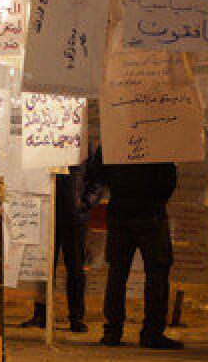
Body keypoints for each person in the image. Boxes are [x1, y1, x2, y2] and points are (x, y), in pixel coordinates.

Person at [94, 148, 181, 349]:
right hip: (150, 213)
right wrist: (158, 199)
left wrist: (118, 185)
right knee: (157, 273)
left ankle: (112, 332)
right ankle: (152, 333)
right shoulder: (157, 132)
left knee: (117, 273)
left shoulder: (116, 130)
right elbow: (168, 175)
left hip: (120, 211)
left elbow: (99, 168)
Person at [19, 157, 103, 332]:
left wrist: (85, 203)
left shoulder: (82, 146)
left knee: (75, 268)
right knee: (44, 266)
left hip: (74, 217)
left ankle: (76, 317)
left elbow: (97, 180)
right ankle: (41, 314)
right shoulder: (45, 147)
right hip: (48, 213)